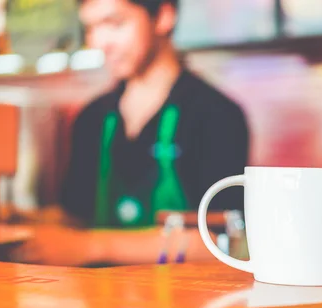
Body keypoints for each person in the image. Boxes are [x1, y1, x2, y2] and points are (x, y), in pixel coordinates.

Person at [14, 0, 249, 266]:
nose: (100, 42)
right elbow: (76, 215)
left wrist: (95, 246)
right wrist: (21, 218)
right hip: (100, 300)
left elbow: (226, 243)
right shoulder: (91, 118)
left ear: (162, 17)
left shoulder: (216, 115)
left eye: (114, 24)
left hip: (185, 301)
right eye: (91, 28)